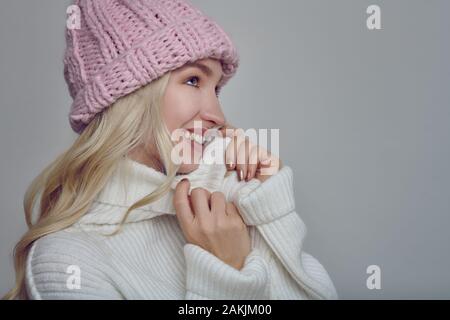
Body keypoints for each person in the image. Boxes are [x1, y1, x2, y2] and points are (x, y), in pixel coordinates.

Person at [3, 0, 338, 300]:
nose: (217, 116)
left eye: (216, 89)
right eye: (193, 80)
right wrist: (228, 273)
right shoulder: (68, 261)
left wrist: (269, 205)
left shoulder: (221, 210)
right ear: (128, 96)